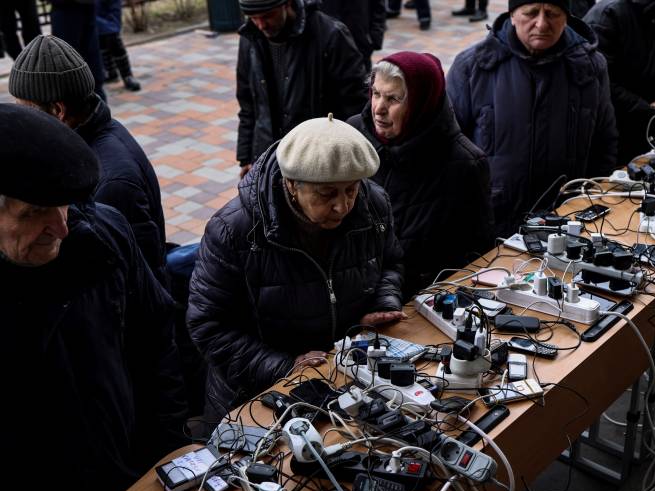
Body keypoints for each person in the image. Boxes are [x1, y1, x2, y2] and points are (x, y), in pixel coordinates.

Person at [0, 104, 188, 491]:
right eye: (36, 212)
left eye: (64, 204)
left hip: (128, 482)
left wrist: (166, 452)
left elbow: (157, 340)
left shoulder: (102, 237)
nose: (61, 227)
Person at [187, 115, 405, 425]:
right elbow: (208, 325)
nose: (342, 207)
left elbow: (390, 262)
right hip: (258, 397)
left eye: (351, 190)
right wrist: (285, 368)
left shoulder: (373, 206)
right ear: (291, 185)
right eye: (326, 194)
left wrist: (382, 302)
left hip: (345, 378)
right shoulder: (233, 232)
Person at [447, 0, 618, 239]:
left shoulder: (589, 66)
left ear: (566, 16)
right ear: (512, 15)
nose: (541, 23)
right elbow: (448, 151)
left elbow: (605, 142)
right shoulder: (473, 67)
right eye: (530, 13)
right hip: (489, 226)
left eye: (552, 13)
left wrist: (584, 206)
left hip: (566, 224)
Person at [9, 35, 168, 285]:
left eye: (25, 108)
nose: (22, 119)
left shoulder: (108, 180)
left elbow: (139, 280)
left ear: (58, 111)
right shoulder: (92, 141)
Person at [348, 52, 492, 298]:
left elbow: (474, 257)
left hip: (421, 302)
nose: (379, 109)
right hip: (352, 295)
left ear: (421, 104)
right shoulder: (352, 135)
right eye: (376, 94)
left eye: (393, 98)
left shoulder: (464, 165)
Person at [236, 0, 367, 178]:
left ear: (287, 4)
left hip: (317, 160)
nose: (260, 25)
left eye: (267, 16)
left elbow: (354, 105)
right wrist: (246, 157)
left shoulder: (330, 35)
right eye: (253, 18)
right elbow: (248, 104)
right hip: (268, 158)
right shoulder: (249, 37)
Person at [585, 0, 655, 163]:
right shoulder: (610, 16)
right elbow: (599, 84)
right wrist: (651, 114)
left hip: (654, 145)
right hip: (610, 145)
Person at [49, 0, 105, 100]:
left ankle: (98, 107)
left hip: (87, 6)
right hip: (65, 9)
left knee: (94, 70)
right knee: (68, 70)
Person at [320, 0, 386, 72]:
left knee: (361, 78)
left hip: (360, 40)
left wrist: (375, 37)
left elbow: (378, 8)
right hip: (327, 41)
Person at [96, 0, 141, 92]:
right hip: (89, 9)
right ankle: (111, 72)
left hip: (109, 9)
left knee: (112, 36)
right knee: (100, 39)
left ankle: (127, 76)